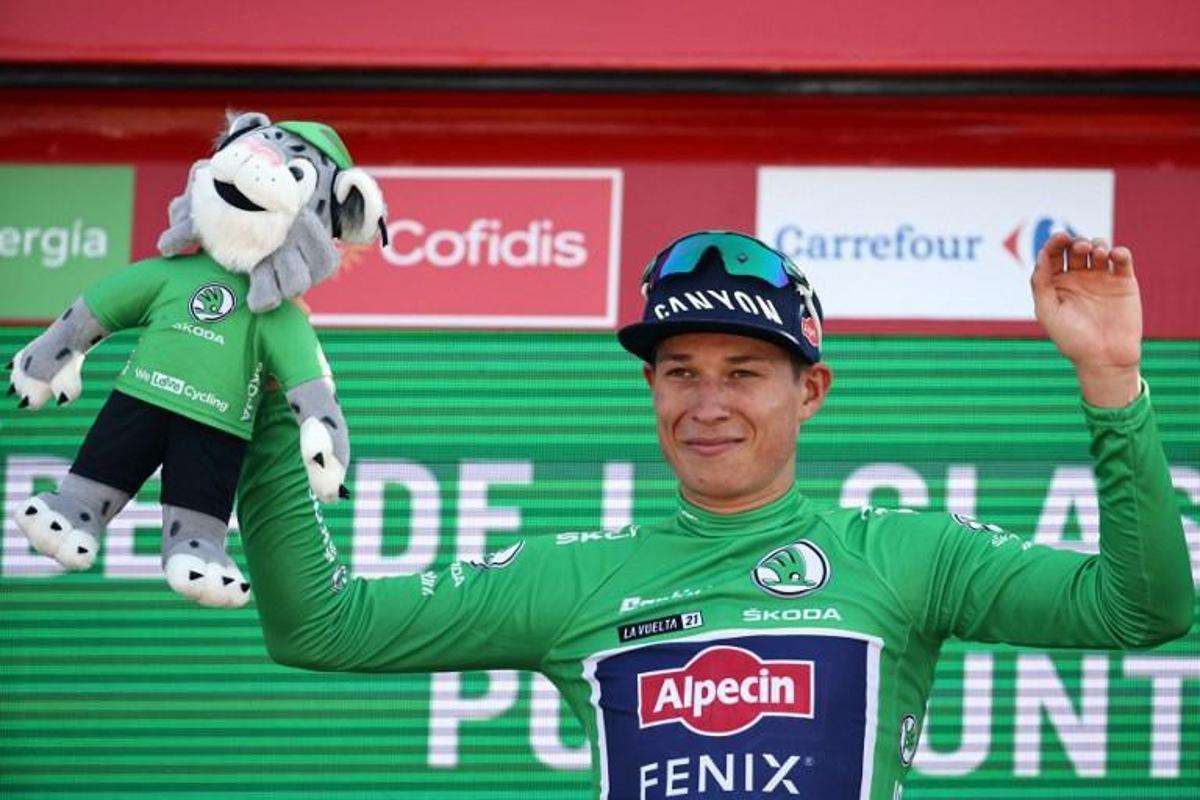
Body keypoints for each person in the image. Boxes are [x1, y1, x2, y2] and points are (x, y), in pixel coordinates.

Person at [234, 229, 1192, 800]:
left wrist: (1111, 379)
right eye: (681, 372)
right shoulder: (575, 577)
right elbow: (320, 626)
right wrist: (268, 394)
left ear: (810, 391)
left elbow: (1142, 609)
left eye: (743, 373)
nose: (707, 405)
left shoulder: (906, 555)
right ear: (651, 387)